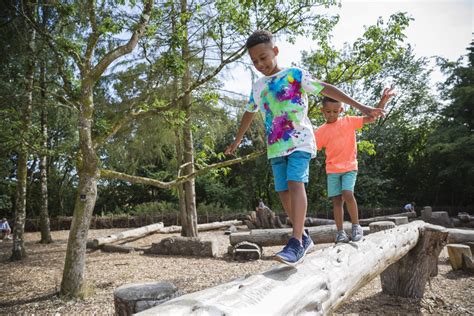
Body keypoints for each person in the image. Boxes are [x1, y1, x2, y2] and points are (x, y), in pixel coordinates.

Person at [225, 30, 384, 265]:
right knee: (282, 190)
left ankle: (296, 240)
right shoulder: (259, 86)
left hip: (299, 141)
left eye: (263, 57)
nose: (260, 64)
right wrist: (238, 140)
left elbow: (327, 89)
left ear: (275, 51)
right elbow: (249, 112)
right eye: (255, 61)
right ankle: (305, 236)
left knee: (294, 182)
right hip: (276, 147)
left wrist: (361, 106)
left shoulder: (295, 75)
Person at [315, 87, 395, 243]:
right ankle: (340, 232)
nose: (332, 115)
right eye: (328, 112)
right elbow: (312, 148)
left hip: (350, 167)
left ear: (341, 110)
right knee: (337, 201)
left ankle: (356, 226)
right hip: (332, 170)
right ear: (322, 111)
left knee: (347, 193)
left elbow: (371, 117)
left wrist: (383, 101)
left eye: (335, 111)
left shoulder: (349, 121)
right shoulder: (321, 131)